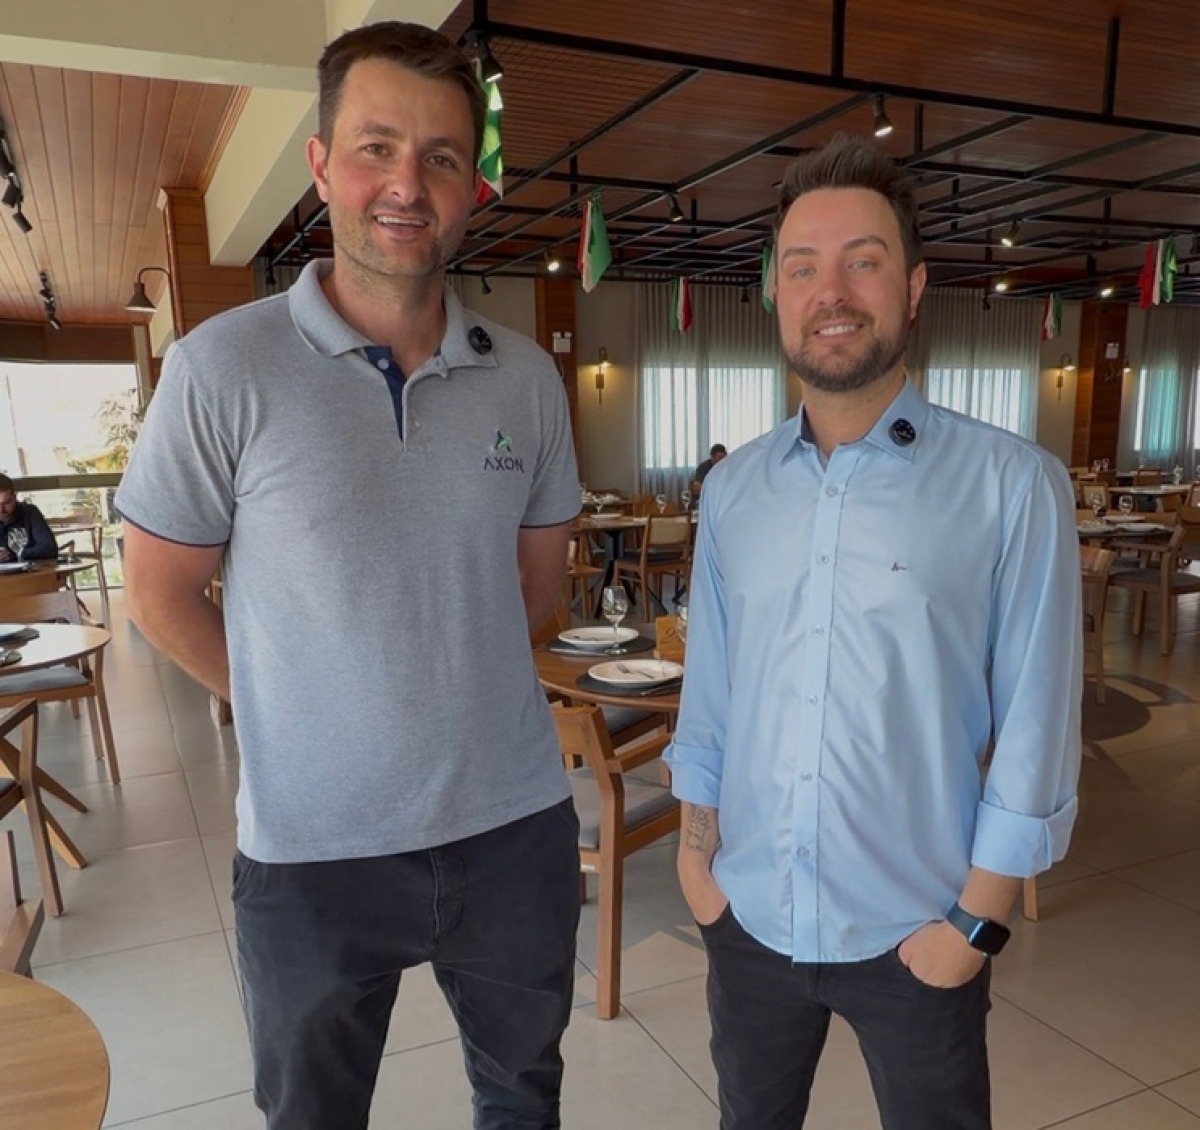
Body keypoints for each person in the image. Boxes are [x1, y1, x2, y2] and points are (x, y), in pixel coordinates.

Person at [117, 22, 581, 1130]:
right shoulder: (220, 367)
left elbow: (541, 590)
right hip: (311, 848)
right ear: (322, 163)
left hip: (512, 827)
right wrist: (297, 706)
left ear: (472, 184)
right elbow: (158, 593)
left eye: (440, 156)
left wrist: (447, 684)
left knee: (523, 1102)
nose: (407, 185)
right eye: (377, 148)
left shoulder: (525, 379)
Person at [664, 135, 1082, 1130]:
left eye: (864, 260)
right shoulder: (733, 491)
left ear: (913, 286)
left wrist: (975, 922)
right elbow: (712, 693)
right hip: (750, 917)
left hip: (919, 929)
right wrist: (696, 864)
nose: (832, 292)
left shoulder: (1012, 486)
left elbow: (1036, 724)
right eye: (803, 266)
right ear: (776, 293)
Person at [0, 474, 58, 561]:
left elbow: (49, 548)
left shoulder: (30, 512)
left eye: (6, 503)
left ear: (15, 497)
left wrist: (16, 554)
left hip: (31, 568)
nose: (1, 509)